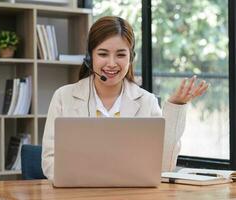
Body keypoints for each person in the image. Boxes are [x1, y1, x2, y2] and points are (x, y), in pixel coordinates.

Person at [41, 16, 209, 181]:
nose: (112, 63)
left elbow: (164, 166)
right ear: (90, 57)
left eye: (121, 55)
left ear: (131, 57)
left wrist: (175, 107)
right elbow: (50, 161)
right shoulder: (64, 97)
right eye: (103, 54)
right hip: (79, 193)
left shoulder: (146, 102)